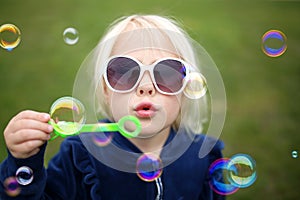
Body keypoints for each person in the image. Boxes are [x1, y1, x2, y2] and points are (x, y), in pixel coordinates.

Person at [0, 14, 225, 199]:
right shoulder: (80, 155)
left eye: (167, 74)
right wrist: (22, 161)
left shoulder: (203, 157)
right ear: (106, 91)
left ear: (186, 88)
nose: (146, 87)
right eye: (124, 72)